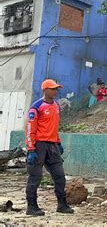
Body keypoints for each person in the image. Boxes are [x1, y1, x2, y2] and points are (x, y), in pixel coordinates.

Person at [25, 79, 74, 216]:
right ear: (45, 90)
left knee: (59, 175)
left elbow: (54, 127)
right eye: (53, 89)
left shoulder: (56, 106)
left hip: (52, 146)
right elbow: (30, 129)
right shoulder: (37, 107)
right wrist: (31, 149)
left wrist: (58, 142)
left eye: (56, 89)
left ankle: (62, 204)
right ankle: (32, 206)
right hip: (39, 145)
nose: (56, 91)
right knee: (35, 176)